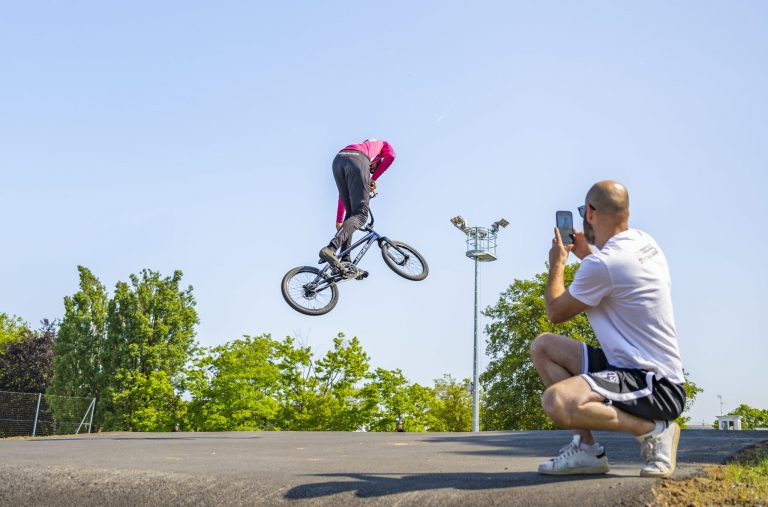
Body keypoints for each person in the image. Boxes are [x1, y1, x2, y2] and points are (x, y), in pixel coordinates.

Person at [531, 180, 686, 478]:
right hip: (639, 370)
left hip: (653, 384)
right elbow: (614, 276)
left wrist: (558, 263)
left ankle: (653, 430)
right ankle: (586, 450)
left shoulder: (603, 266)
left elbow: (555, 311)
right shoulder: (643, 242)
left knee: (557, 401)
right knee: (544, 347)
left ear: (589, 212)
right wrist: (585, 254)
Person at [319, 139, 395, 268]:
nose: (370, 169)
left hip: (338, 160)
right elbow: (391, 156)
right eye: (371, 168)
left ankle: (345, 259)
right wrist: (373, 178)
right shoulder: (383, 145)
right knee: (361, 215)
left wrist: (339, 219)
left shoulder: (364, 145)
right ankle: (331, 248)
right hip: (358, 161)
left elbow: (343, 195)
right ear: (376, 160)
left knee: (351, 215)